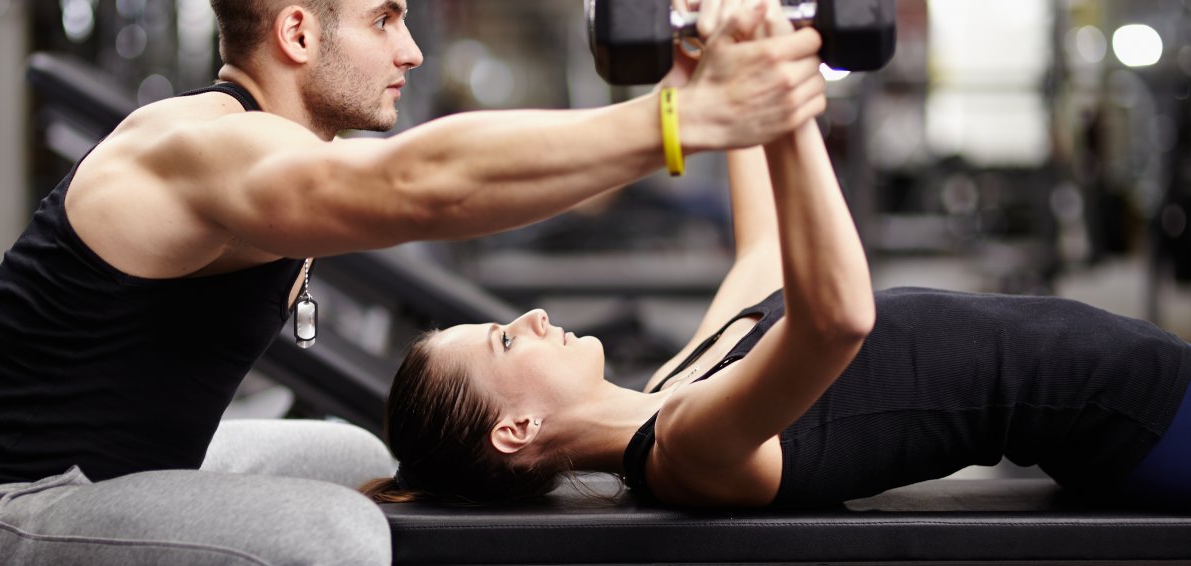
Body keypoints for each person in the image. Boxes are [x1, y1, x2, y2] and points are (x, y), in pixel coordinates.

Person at [0, 0, 827, 564]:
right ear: (295, 30)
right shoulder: (194, 148)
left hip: (97, 478)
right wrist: (678, 117)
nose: (409, 50)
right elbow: (420, 183)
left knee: (344, 450)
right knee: (329, 532)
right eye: (384, 18)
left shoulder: (259, 143)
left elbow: (472, 167)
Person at [363, 8, 1191, 512]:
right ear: (517, 430)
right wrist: (784, 98)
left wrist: (700, 92)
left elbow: (766, 246)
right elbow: (835, 319)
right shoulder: (683, 448)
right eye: (505, 340)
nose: (533, 317)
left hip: (1131, 389)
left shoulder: (675, 386)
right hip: (1138, 418)